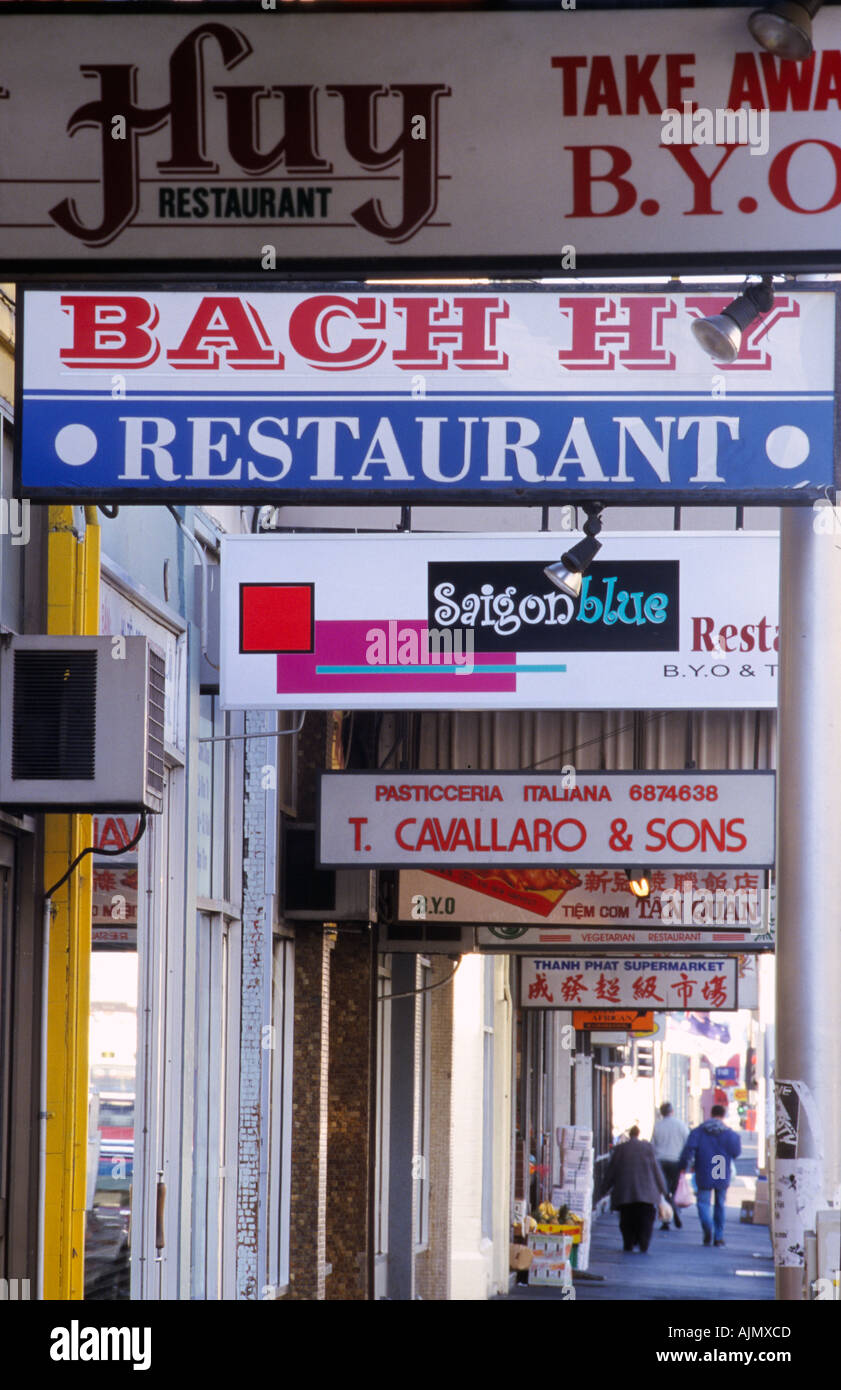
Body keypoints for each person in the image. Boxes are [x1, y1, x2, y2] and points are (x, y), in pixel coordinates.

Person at [599, 1126, 670, 1254]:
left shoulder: (620, 1149)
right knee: (646, 1221)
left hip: (625, 1193)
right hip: (647, 1194)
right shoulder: (648, 1148)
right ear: (638, 1134)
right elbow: (656, 1170)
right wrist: (663, 1189)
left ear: (630, 1135)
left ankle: (628, 1242)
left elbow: (611, 1171)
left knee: (627, 1221)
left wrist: (603, 1189)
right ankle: (643, 1243)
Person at [679, 1104, 742, 1247]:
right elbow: (736, 1152)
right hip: (720, 1169)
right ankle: (718, 1236)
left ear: (711, 1113)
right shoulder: (729, 1134)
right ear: (723, 1115)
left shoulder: (699, 1132)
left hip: (704, 1169)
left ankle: (707, 1228)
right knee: (720, 1204)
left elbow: (689, 1150)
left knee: (703, 1203)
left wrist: (683, 1166)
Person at [652, 1101, 690, 1231]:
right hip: (676, 1162)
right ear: (672, 1111)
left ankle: (666, 1220)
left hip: (661, 1162)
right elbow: (688, 1144)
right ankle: (675, 1211)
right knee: (673, 1191)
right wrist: (688, 1162)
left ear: (662, 1113)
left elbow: (653, 1145)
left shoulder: (657, 1126)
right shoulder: (681, 1125)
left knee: (663, 1191)